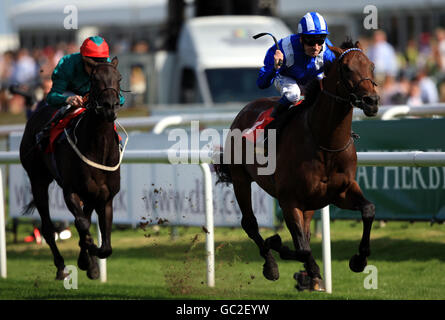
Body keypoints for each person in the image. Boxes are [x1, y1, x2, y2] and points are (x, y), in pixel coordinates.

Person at [256, 12, 336, 141]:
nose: (316, 47)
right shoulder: (282, 49)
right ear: (301, 39)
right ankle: (270, 128)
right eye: (310, 41)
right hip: (287, 77)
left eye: (320, 40)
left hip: (312, 77)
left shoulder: (328, 52)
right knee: (293, 94)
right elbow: (261, 84)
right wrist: (274, 68)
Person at [37, 36, 125, 144]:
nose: (95, 70)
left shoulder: (107, 66)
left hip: (92, 97)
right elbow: (51, 97)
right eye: (91, 65)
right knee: (66, 109)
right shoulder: (67, 64)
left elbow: (121, 99)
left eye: (101, 62)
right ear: (83, 59)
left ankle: (117, 141)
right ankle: (46, 135)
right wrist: (67, 99)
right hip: (69, 95)